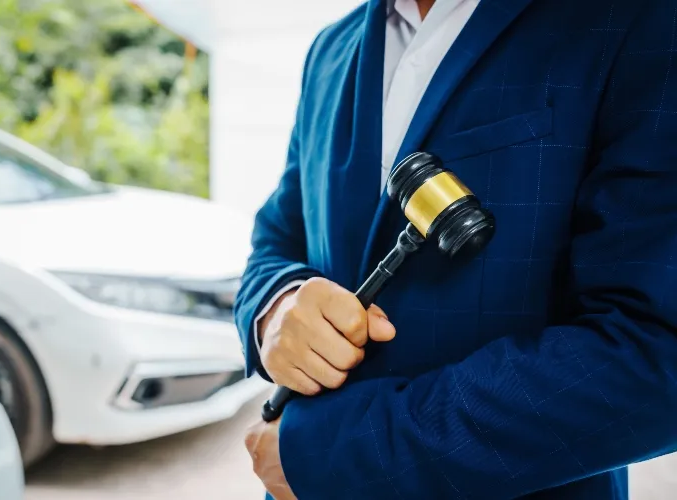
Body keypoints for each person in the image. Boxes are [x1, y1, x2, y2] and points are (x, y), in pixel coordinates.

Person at [234, 0, 677, 498]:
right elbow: (276, 236)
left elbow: (654, 354)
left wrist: (336, 455)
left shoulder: (637, 18)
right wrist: (275, 307)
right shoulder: (329, 51)